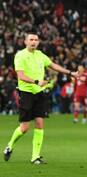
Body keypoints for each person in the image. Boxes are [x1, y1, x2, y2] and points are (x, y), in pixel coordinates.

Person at [3, 32, 78, 164]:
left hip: (39, 93)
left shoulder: (40, 55)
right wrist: (37, 82)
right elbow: (20, 75)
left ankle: (35, 157)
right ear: (25, 42)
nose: (34, 42)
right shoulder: (20, 55)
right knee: (24, 128)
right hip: (26, 93)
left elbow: (53, 65)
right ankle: (9, 146)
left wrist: (70, 73)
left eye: (36, 40)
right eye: (31, 39)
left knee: (40, 124)